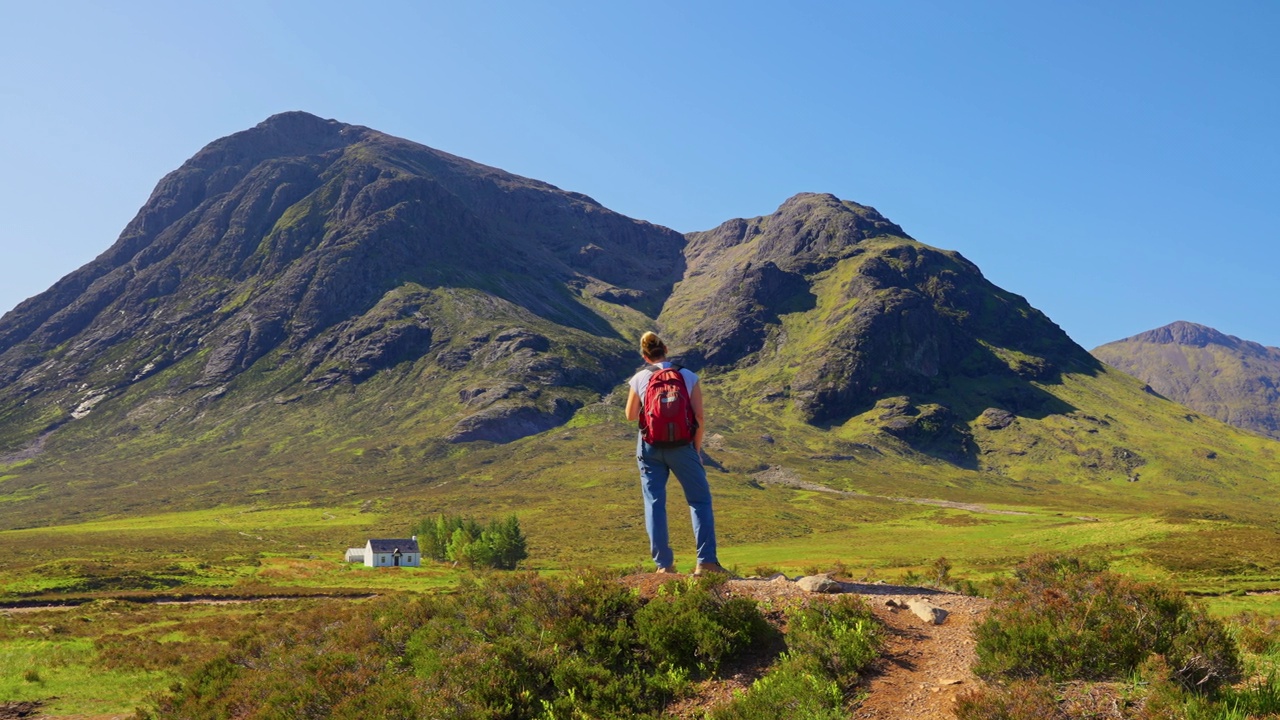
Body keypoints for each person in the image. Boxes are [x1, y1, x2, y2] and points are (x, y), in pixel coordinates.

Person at [625, 331, 728, 575]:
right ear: (666, 349)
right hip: (683, 447)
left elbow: (630, 416)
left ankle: (664, 566)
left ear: (644, 355)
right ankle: (706, 562)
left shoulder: (639, 378)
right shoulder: (688, 376)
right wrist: (696, 449)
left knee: (655, 503)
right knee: (700, 501)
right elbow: (699, 417)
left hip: (649, 446)